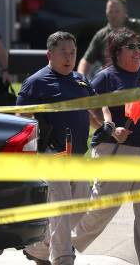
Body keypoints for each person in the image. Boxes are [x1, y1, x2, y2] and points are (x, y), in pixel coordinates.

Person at [72, 27, 140, 265]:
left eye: (139, 46)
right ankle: (60, 249)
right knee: (99, 213)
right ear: (116, 52)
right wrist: (110, 129)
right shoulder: (105, 77)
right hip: (115, 152)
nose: (138, 52)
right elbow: (88, 106)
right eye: (131, 47)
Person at [18, 31, 103, 265]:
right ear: (50, 54)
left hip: (77, 156)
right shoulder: (36, 82)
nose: (69, 57)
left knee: (82, 204)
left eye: (73, 52)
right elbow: (21, 119)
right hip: (51, 155)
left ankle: (39, 249)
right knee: (62, 209)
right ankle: (63, 259)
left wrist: (105, 127)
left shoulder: (80, 80)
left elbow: (91, 111)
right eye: (63, 52)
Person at [77, 0, 140, 76]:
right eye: (110, 11)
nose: (113, 15)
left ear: (125, 12)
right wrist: (81, 78)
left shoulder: (138, 27)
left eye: (117, 11)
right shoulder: (101, 35)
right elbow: (86, 60)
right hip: (111, 80)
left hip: (138, 77)